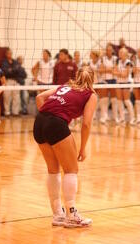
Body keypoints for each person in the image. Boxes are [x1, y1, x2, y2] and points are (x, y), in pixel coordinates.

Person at [33, 66, 97, 228]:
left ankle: (58, 215)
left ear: (77, 76)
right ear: (93, 79)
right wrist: (82, 148)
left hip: (39, 121)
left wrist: (49, 115)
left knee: (53, 170)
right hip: (55, 124)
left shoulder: (65, 86)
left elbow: (40, 97)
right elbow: (87, 124)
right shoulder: (91, 94)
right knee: (71, 170)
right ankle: (72, 215)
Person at [113, 47, 135, 125]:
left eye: (121, 52)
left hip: (127, 83)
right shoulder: (118, 61)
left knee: (126, 101)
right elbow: (113, 72)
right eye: (119, 52)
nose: (119, 54)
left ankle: (132, 118)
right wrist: (120, 73)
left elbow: (126, 75)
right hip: (119, 83)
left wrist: (118, 73)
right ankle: (122, 119)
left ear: (125, 54)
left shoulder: (128, 62)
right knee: (119, 101)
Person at [98, 44, 118, 124]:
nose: (108, 51)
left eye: (110, 50)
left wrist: (106, 69)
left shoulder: (115, 59)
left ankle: (115, 117)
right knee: (104, 100)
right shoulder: (102, 58)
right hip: (104, 80)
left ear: (112, 51)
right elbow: (101, 70)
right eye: (107, 50)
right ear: (105, 51)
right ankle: (104, 117)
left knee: (114, 100)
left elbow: (116, 70)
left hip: (113, 80)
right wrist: (110, 70)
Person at [1, 48, 21, 116]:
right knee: (7, 97)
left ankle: (15, 112)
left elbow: (18, 70)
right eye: (8, 53)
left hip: (16, 81)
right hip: (8, 81)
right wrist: (12, 70)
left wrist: (11, 70)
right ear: (6, 54)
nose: (10, 54)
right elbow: (5, 72)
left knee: (16, 97)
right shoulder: (4, 62)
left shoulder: (15, 61)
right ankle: (7, 112)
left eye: (11, 53)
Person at [133, 48, 140, 124]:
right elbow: (134, 71)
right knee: (137, 100)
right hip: (136, 81)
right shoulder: (135, 61)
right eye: (137, 52)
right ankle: (138, 117)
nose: (138, 54)